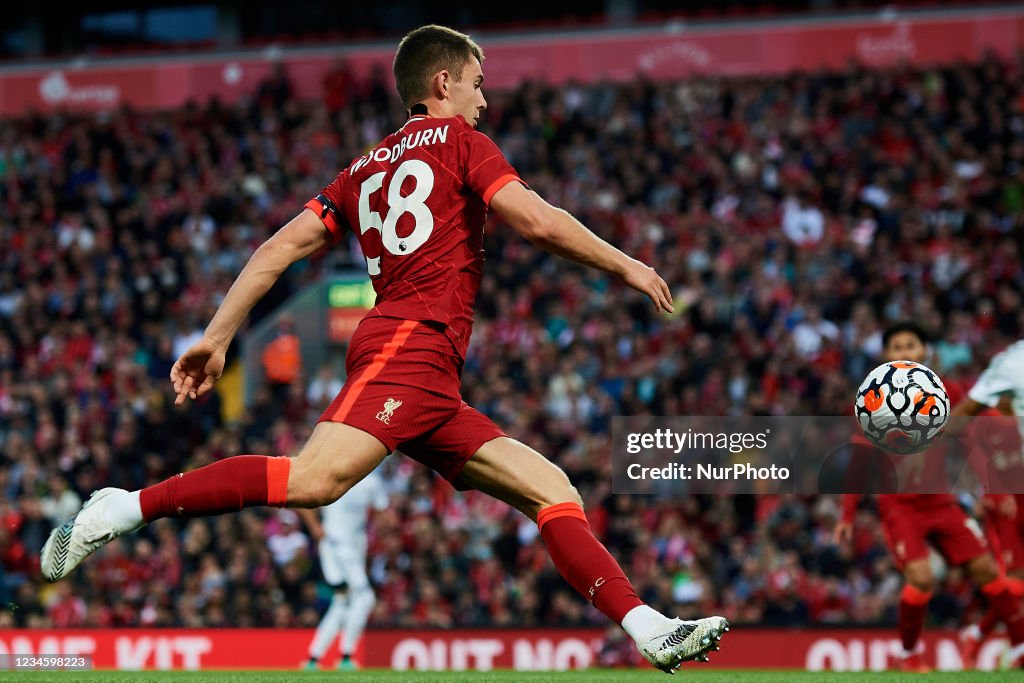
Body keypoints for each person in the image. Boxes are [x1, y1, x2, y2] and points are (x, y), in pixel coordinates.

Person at [40, 24, 727, 673]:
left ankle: (648, 627)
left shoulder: (362, 169)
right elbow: (539, 223)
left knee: (551, 489)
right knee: (314, 481)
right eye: (478, 82)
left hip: (423, 365)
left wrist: (218, 336)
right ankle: (121, 507)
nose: (485, 98)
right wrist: (628, 265)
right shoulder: (460, 142)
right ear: (443, 80)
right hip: (412, 343)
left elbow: (281, 246)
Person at [834, 322, 1024, 673]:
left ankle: (1019, 648)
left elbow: (972, 440)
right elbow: (859, 464)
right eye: (897, 348)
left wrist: (992, 485)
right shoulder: (872, 401)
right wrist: (846, 516)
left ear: (925, 352)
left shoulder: (948, 391)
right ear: (886, 356)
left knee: (987, 570)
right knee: (922, 578)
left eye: (911, 346)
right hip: (899, 505)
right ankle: (909, 655)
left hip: (941, 501)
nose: (904, 353)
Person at [949, 340, 1024, 667]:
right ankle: (1003, 644)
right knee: (1016, 581)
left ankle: (979, 636)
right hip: (1004, 506)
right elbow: (978, 465)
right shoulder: (985, 422)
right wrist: (993, 497)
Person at [299, 468, 388, 671]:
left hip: (355, 547)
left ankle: (313, 659)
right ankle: (346, 656)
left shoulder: (372, 481)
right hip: (336, 544)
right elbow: (301, 498)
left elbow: (381, 511)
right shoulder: (335, 472)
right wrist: (314, 527)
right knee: (365, 597)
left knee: (341, 602)